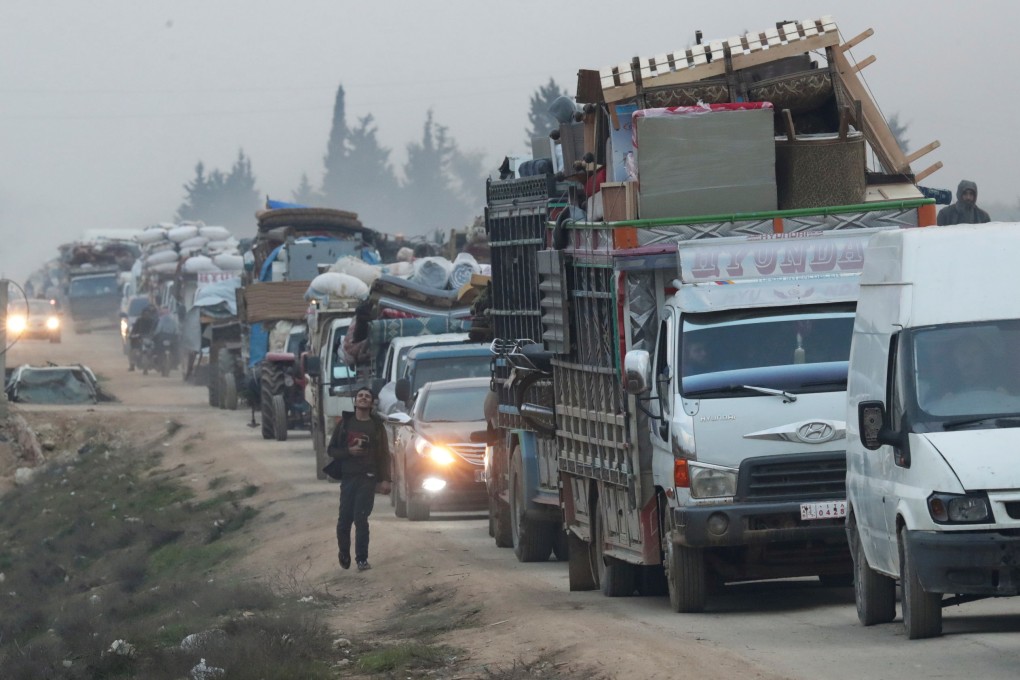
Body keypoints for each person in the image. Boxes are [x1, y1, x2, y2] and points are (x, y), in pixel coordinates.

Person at [326, 386, 391, 571]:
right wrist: (349, 451)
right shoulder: (345, 424)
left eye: (367, 396)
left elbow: (385, 455)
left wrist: (386, 479)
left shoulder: (377, 426)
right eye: (360, 396)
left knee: (361, 518)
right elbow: (332, 450)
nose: (363, 398)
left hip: (368, 478)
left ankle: (362, 558)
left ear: (372, 402)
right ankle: (344, 553)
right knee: (344, 520)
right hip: (348, 478)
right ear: (355, 401)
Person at [128, 305, 158, 371]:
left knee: (158, 349)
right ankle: (132, 365)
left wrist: (154, 335)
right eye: (145, 313)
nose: (146, 315)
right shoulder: (139, 321)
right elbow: (134, 329)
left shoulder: (153, 321)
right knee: (133, 350)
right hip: (140, 339)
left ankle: (158, 364)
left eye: (148, 313)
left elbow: (156, 330)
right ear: (142, 314)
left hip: (150, 339)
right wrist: (132, 335)